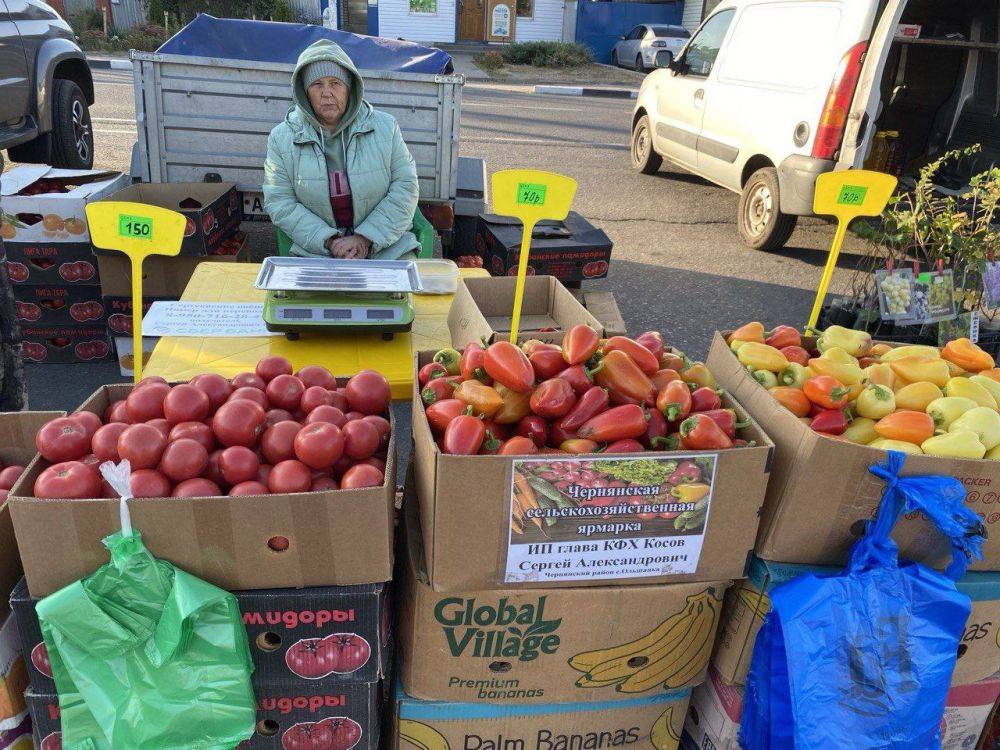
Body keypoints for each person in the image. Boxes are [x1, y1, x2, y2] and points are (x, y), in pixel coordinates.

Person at [264, 40, 421, 261]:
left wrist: (365, 238)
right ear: (304, 91)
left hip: (384, 245)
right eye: (317, 84)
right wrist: (330, 241)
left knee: (400, 291)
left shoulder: (386, 127)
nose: (327, 93)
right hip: (316, 250)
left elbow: (406, 187)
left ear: (349, 87)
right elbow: (279, 201)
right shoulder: (281, 138)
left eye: (335, 83)